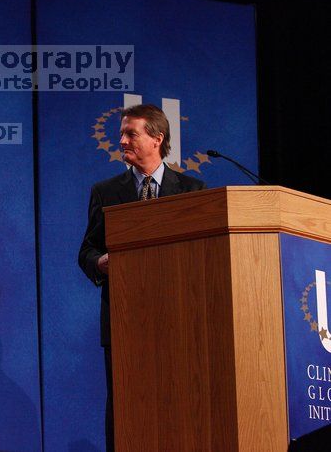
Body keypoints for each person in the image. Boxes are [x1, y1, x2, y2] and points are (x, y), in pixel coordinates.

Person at [78, 104, 205, 451]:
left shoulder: (192, 190)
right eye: (121, 133)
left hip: (179, 318)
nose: (121, 141)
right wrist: (100, 262)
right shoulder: (106, 191)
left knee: (179, 402)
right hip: (124, 319)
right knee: (124, 408)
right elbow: (86, 251)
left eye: (130, 133)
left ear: (156, 138)